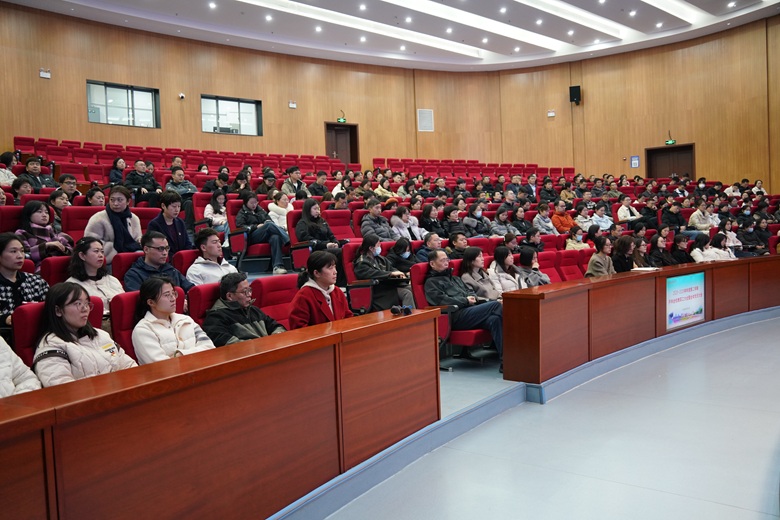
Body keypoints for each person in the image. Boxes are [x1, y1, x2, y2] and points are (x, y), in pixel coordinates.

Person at [33, 282, 136, 387]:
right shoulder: (51, 345)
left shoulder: (101, 335)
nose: (85, 309)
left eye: (86, 303)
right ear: (58, 310)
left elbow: (131, 367)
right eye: (78, 304)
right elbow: (63, 390)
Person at [424, 249, 504, 371]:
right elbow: (442, 301)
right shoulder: (431, 282)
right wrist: (465, 300)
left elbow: (469, 292)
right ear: (432, 264)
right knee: (495, 305)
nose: (446, 262)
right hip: (455, 316)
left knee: (494, 319)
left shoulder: (455, 279)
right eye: (442, 260)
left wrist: (472, 298)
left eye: (447, 259)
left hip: (470, 311)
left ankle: (505, 361)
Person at [132, 277, 214, 364]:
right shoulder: (143, 330)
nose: (173, 298)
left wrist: (179, 355)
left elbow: (210, 348)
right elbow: (161, 365)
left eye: (173, 293)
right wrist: (193, 354)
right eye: (167, 295)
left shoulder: (186, 320)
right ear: (151, 302)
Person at [201, 272, 286, 347]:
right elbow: (231, 346)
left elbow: (277, 327)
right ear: (230, 296)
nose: (249, 294)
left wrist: (276, 338)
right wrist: (265, 345)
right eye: (244, 292)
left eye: (249, 290)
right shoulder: (216, 318)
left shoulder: (253, 310)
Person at [0, 233, 49, 341]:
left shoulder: (37, 282)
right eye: (13, 251)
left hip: (37, 337)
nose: (20, 256)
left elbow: (50, 310)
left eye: (22, 251)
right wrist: (4, 319)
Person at [66, 237, 123, 327]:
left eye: (102, 251)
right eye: (96, 251)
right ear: (82, 255)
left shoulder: (112, 280)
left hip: (121, 324)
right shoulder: (72, 286)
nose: (101, 255)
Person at [289, 251, 353, 329]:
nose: (335, 272)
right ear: (317, 273)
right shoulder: (303, 296)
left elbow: (348, 317)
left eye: (335, 267)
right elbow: (299, 329)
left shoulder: (337, 291)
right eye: (330, 268)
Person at [353, 234, 414, 311]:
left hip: (388, 286)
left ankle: (419, 314)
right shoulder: (362, 262)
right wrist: (390, 274)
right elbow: (372, 273)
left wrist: (400, 273)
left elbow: (391, 268)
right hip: (378, 290)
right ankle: (408, 315)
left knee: (412, 288)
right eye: (378, 245)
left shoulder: (380, 258)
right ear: (371, 248)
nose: (380, 247)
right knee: (407, 293)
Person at [84, 185, 142, 265]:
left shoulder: (133, 218)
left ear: (128, 201)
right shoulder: (98, 218)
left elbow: (137, 238)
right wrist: (113, 248)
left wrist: (140, 241)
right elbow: (90, 243)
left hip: (131, 256)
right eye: (112, 200)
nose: (115, 203)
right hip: (108, 259)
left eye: (120, 200)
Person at [236, 191, 290, 274]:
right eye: (251, 203)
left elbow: (270, 221)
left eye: (255, 202)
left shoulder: (260, 210)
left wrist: (265, 223)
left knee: (275, 237)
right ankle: (287, 239)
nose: (254, 205)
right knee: (268, 225)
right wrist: (256, 227)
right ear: (246, 203)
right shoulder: (242, 213)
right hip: (251, 236)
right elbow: (241, 227)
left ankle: (277, 266)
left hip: (264, 234)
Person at [123, 231, 194, 294]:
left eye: (167, 248)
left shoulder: (171, 270)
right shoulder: (134, 275)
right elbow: (140, 301)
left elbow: (191, 289)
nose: (165, 253)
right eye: (160, 249)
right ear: (146, 249)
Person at [15, 200, 74, 272]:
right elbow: (24, 255)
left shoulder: (54, 231)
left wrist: (63, 249)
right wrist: (46, 246)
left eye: (46, 212)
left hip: (63, 264)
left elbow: (72, 251)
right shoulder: (22, 233)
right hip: (41, 267)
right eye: (39, 212)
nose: (44, 215)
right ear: (29, 215)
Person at [146, 190, 192, 258]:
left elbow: (187, 243)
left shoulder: (180, 222)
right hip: (164, 259)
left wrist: (185, 256)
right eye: (174, 206)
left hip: (181, 258)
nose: (177, 210)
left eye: (179, 206)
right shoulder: (154, 225)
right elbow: (156, 248)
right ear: (163, 206)